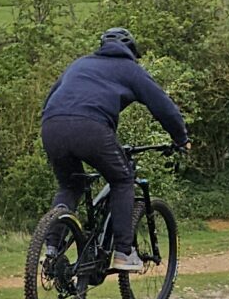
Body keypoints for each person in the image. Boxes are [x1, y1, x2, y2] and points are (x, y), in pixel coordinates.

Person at [41, 28, 188, 272]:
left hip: (51, 126)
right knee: (122, 179)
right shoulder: (129, 68)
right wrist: (181, 138)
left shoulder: (80, 64)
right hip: (90, 127)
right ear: (131, 50)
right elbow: (163, 105)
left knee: (70, 186)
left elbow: (50, 99)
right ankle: (123, 251)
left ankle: (51, 249)